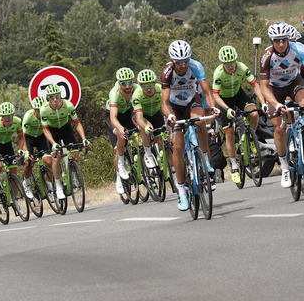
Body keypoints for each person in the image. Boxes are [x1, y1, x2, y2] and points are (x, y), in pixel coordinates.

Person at [160, 39, 217, 211]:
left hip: (192, 101)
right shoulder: (167, 72)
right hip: (174, 107)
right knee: (178, 147)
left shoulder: (196, 66)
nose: (183, 65)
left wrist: (213, 108)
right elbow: (163, 103)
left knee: (200, 122)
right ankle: (182, 191)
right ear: (173, 61)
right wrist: (169, 116)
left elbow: (207, 91)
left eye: (186, 61)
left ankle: (205, 161)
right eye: (179, 62)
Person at [255, 21, 304, 189]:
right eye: (277, 40)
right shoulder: (267, 56)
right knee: (279, 129)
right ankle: (285, 165)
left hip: (295, 82)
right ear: (271, 40)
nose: (281, 44)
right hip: (274, 89)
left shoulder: (300, 49)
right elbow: (264, 87)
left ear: (289, 39)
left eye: (284, 40)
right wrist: (276, 104)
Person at [211, 45, 260, 185]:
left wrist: (263, 102)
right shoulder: (218, 73)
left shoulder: (242, 67)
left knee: (254, 114)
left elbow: (255, 85)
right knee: (229, 133)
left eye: (232, 63)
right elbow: (215, 95)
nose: (231, 66)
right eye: (227, 64)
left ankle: (250, 138)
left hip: (238, 95)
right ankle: (233, 166)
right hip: (224, 100)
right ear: (223, 64)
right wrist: (227, 109)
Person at [39, 84, 90, 200]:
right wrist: (53, 143)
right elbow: (45, 130)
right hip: (52, 132)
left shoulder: (68, 105)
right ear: (48, 98)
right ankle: (58, 187)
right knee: (56, 158)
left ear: (61, 96)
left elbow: (77, 123)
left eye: (57, 96)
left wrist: (83, 138)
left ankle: (72, 177)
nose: (55, 100)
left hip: (66, 130)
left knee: (75, 156)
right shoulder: (44, 110)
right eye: (52, 97)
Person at [106, 68, 146, 196]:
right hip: (114, 117)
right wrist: (120, 128)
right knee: (121, 138)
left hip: (128, 114)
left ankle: (141, 165)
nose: (128, 86)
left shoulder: (136, 88)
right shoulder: (114, 93)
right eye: (124, 83)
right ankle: (119, 172)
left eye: (129, 82)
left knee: (138, 134)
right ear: (119, 83)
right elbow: (113, 117)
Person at [0, 102, 24, 202]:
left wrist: (21, 148)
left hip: (7, 145)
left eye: (9, 116)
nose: (7, 119)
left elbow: (21, 137)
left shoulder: (17, 121)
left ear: (13, 115)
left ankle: (15, 199)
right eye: (5, 117)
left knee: (14, 171)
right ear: (1, 117)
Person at [18, 97, 47, 200]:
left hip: (41, 138)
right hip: (29, 138)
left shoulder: (46, 114)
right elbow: (23, 136)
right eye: (38, 111)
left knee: (48, 161)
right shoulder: (28, 116)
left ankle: (50, 186)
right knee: (29, 162)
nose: (41, 113)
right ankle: (26, 182)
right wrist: (26, 152)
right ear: (35, 111)